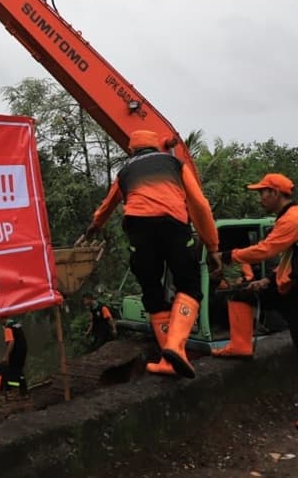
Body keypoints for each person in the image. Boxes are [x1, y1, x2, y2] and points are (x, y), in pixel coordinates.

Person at [84, 129, 219, 379]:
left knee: (152, 291)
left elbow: (108, 204)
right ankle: (175, 347)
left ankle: (168, 361)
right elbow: (199, 203)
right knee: (189, 285)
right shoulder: (174, 163)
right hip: (173, 226)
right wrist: (212, 246)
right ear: (156, 147)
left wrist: (95, 225)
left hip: (139, 229)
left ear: (133, 150)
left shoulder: (125, 172)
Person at [215, 173, 298, 432]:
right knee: (241, 293)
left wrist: (228, 255)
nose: (260, 198)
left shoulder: (293, 217)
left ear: (277, 193)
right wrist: (268, 280)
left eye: (263, 192)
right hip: (288, 286)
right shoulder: (290, 216)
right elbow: (289, 258)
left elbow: (266, 250)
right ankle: (240, 345)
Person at [0, 318, 28, 395]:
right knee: (19, 371)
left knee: (12, 372)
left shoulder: (8, 328)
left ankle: (15, 390)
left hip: (15, 352)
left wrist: (6, 356)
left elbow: (11, 342)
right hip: (23, 350)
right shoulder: (16, 324)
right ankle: (23, 391)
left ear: (2, 319)